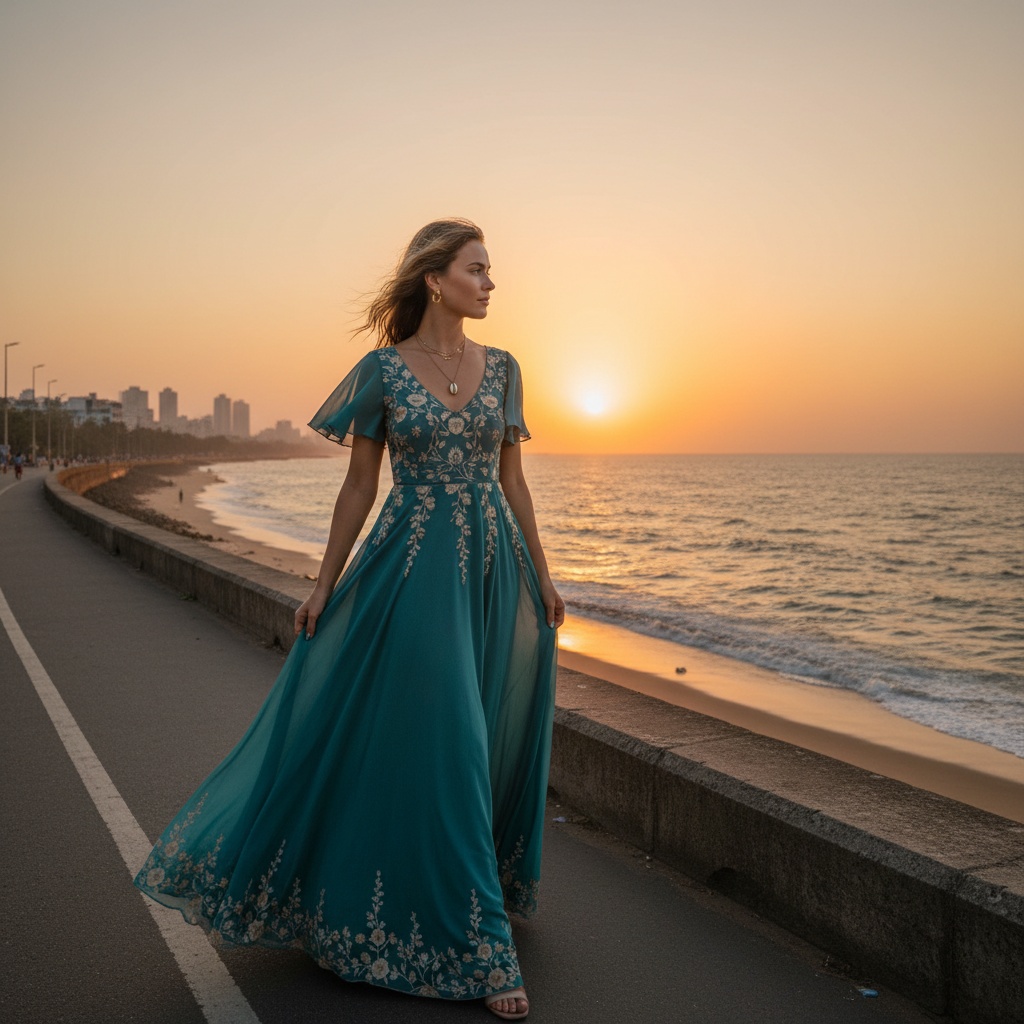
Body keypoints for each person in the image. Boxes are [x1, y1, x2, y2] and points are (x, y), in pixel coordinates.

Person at [134, 218, 564, 1020]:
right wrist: (322, 584)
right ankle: (481, 947)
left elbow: (514, 480)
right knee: (454, 742)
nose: (492, 282)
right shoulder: (382, 372)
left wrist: (543, 575)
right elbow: (360, 490)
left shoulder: (505, 368)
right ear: (435, 280)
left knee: (479, 728)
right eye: (479, 269)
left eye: (491, 270)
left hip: (493, 572)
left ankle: (466, 890)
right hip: (413, 572)